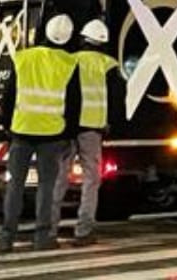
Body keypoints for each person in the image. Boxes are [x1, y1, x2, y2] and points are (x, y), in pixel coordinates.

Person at [0, 13, 78, 253]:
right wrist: (70, 133)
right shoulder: (68, 63)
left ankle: (6, 238)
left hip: (21, 131)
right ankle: (42, 238)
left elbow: (8, 97)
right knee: (46, 186)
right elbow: (74, 104)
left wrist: (7, 127)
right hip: (52, 134)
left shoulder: (22, 58)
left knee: (15, 186)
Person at [69, 18, 122, 246]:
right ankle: (83, 230)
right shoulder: (109, 65)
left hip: (68, 128)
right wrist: (112, 123)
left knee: (59, 178)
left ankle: (48, 231)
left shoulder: (69, 61)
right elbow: (118, 99)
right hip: (93, 129)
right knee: (91, 180)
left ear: (83, 38)